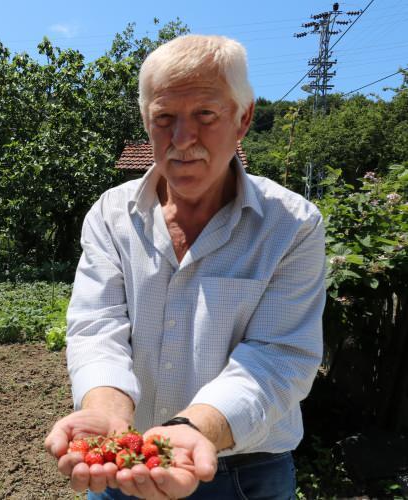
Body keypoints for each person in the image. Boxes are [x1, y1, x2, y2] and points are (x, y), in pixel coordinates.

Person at [44, 34, 325, 500]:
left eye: (205, 115)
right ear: (145, 120)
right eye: (164, 118)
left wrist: (195, 428)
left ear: (244, 118)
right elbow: (97, 326)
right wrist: (106, 409)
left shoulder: (291, 225)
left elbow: (279, 355)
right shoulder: (112, 215)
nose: (182, 139)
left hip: (243, 474)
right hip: (123, 462)